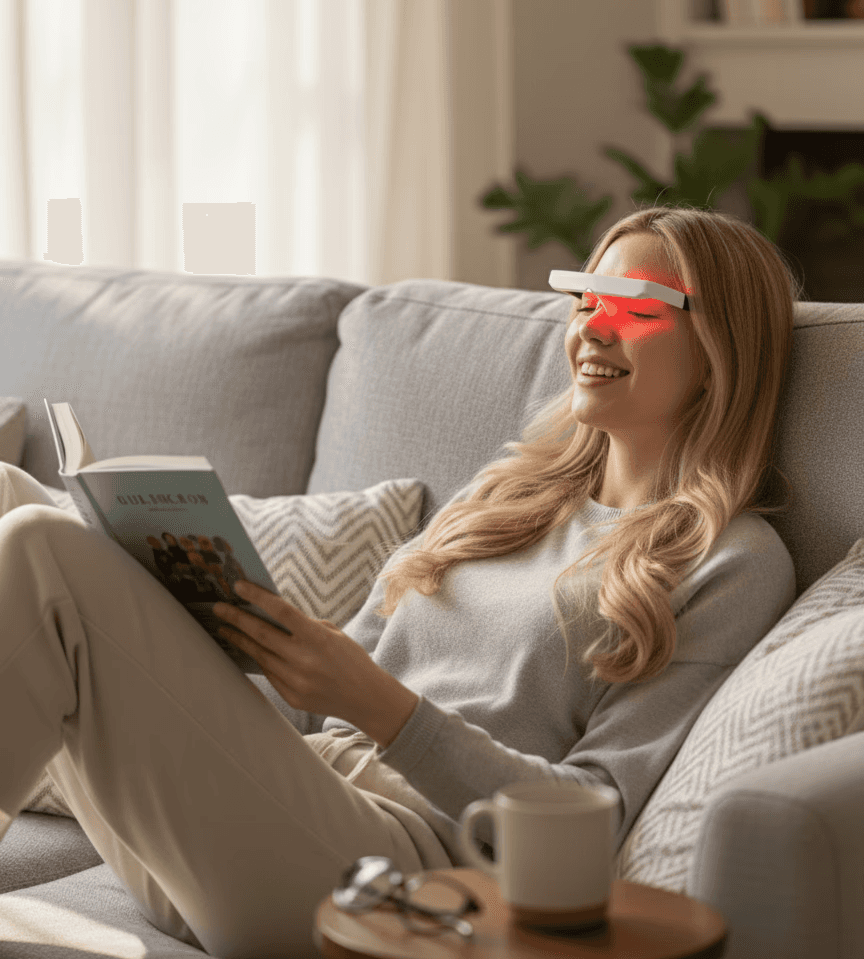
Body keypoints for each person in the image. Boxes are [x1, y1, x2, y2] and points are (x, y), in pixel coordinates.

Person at [0, 206, 802, 959]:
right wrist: (197, 624)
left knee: (40, 547)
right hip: (263, 816)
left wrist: (379, 704)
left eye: (634, 306)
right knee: (18, 498)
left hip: (396, 870)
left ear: (718, 347)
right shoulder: (505, 494)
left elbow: (595, 821)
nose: (594, 324)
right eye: (585, 299)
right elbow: (310, 705)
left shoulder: (731, 560)